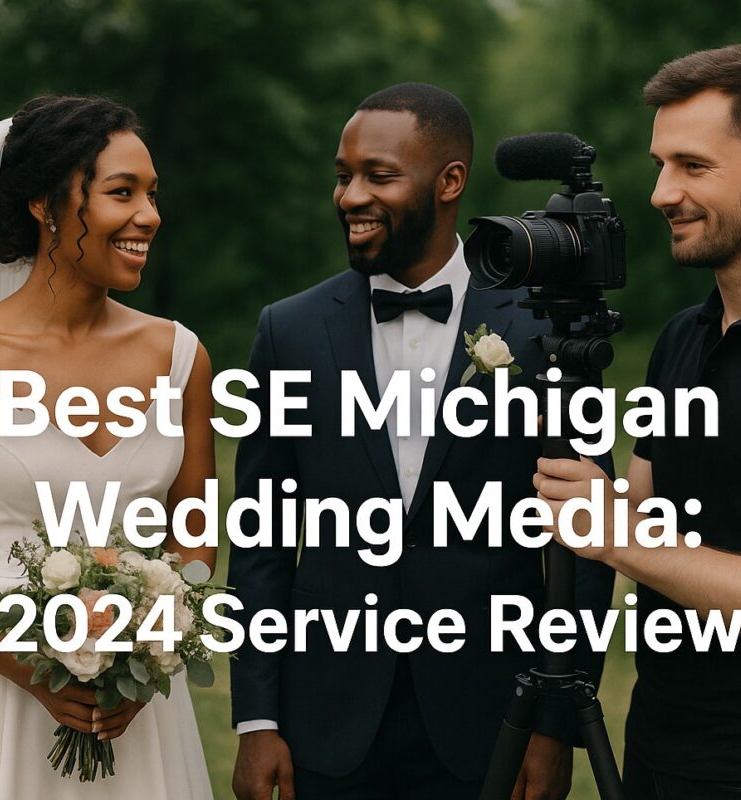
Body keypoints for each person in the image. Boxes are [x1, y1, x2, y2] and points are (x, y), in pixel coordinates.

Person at [229, 82, 613, 800]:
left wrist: (555, 725)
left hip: (493, 718)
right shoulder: (288, 331)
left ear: (450, 181)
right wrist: (257, 718)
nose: (351, 197)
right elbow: (262, 539)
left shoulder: (545, 331)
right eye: (343, 176)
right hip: (327, 717)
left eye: (379, 175)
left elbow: (585, 546)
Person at [535, 44, 741, 798]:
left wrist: (619, 535)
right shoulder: (686, 336)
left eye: (693, 166)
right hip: (656, 751)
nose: (660, 193)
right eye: (660, 165)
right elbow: (646, 520)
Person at [0, 96, 216, 798]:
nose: (149, 215)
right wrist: (31, 669)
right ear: (44, 205)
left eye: (152, 194)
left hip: (137, 712)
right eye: (121, 192)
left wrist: (149, 649)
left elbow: (193, 540)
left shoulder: (182, 357)